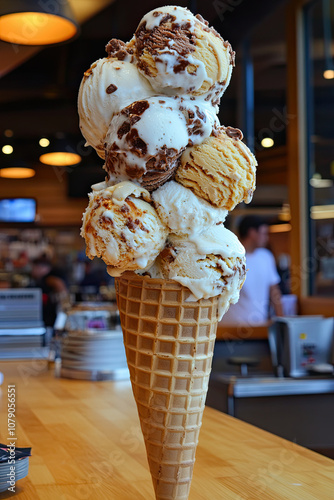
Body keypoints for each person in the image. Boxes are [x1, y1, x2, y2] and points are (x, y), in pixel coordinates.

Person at [223, 215, 284, 325]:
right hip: (230, 327)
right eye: (264, 233)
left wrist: (282, 319)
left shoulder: (266, 256)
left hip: (260, 327)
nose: (267, 238)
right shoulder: (229, 257)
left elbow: (274, 291)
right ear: (252, 233)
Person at [30, 256, 69, 327]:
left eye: (34, 268)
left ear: (41, 268)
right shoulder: (44, 279)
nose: (32, 271)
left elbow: (61, 288)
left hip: (53, 319)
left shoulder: (50, 278)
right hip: (51, 319)